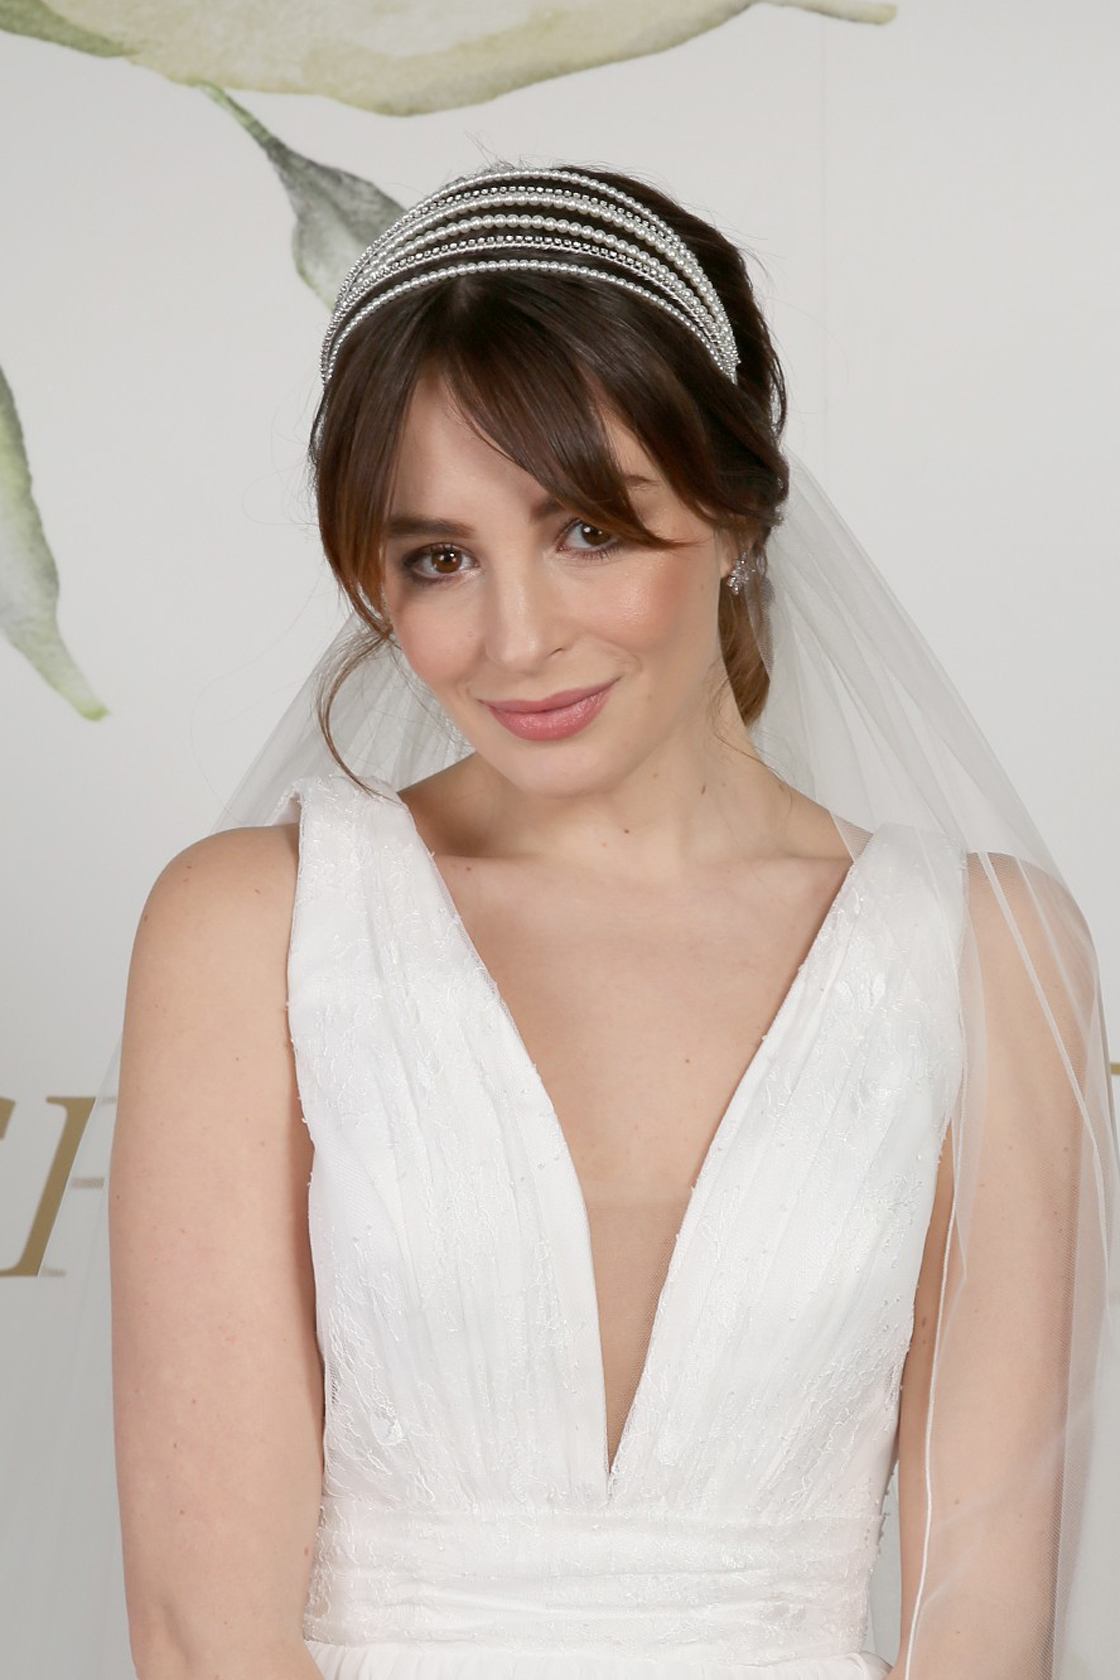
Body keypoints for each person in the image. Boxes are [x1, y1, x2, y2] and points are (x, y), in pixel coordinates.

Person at [2, 160, 1116, 1680]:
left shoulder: (987, 953)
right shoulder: (251, 927)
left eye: (586, 530)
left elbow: (984, 1628)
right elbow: (205, 1633)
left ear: (734, 512)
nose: (516, 637)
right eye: (439, 559)